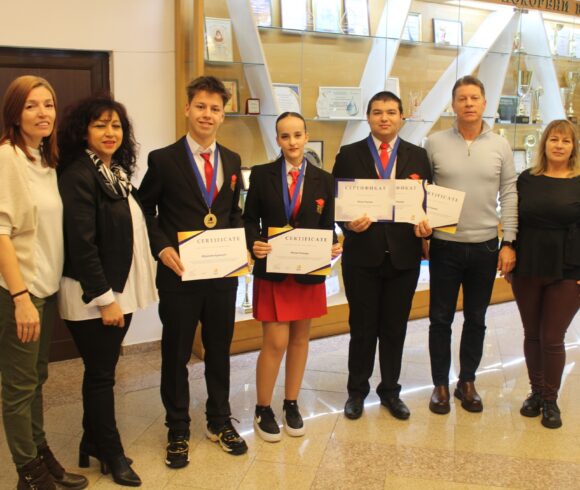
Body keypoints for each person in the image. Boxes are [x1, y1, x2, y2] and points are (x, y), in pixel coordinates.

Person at [139, 76, 247, 467]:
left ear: (223, 115)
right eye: (200, 106)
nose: (207, 114)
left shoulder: (232, 160)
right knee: (177, 353)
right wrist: (162, 247)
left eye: (215, 108)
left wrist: (241, 245)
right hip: (179, 274)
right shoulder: (163, 159)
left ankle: (219, 420)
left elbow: (232, 212)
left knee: (219, 350)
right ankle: (178, 428)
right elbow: (143, 209)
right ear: (187, 109)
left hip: (221, 276)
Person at [58, 94, 157, 486]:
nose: (110, 132)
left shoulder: (112, 171)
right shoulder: (78, 174)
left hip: (116, 290)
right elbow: (81, 244)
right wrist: (105, 299)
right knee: (101, 376)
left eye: (116, 126)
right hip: (94, 296)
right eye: (100, 125)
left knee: (102, 371)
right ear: (83, 131)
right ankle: (111, 452)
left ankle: (91, 441)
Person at [0, 76, 88, 490]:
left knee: (36, 380)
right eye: (31, 105)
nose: (43, 113)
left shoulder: (43, 159)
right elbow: (0, 233)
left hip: (45, 288)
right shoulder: (7, 157)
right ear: (15, 113)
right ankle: (29, 473)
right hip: (21, 291)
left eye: (48, 104)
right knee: (19, 387)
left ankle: (40, 455)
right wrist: (20, 297)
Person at [332, 91, 432, 421]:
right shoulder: (349, 154)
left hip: (404, 257)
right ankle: (356, 391)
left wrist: (426, 225)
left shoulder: (419, 156)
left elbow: (427, 203)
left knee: (394, 328)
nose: (384, 118)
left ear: (402, 117)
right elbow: (335, 201)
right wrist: (347, 224)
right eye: (377, 112)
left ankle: (390, 391)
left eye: (391, 112)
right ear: (368, 117)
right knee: (361, 329)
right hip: (362, 256)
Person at [243, 112, 341, 442]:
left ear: (306, 136)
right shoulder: (262, 174)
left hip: (308, 272)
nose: (292, 142)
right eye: (285, 136)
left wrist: (333, 245)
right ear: (277, 140)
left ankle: (291, 403)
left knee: (300, 339)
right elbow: (249, 219)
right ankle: (262, 408)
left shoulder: (324, 179)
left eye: (298, 135)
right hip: (273, 270)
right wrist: (253, 242)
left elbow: (327, 226)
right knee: (275, 342)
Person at [423, 76, 517, 415]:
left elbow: (509, 193)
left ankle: (467, 381)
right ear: (453, 104)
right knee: (440, 319)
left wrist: (509, 241)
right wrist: (424, 233)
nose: (468, 103)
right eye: (462, 98)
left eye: (474, 98)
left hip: (485, 246)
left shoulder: (500, 145)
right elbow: (422, 191)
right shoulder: (433, 142)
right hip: (444, 245)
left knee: (476, 318)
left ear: (484, 103)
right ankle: (439, 385)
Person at [509, 119, 580, 429]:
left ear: (573, 147)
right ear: (544, 143)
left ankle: (551, 400)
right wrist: (508, 249)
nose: (559, 145)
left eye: (565, 141)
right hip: (528, 265)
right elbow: (513, 218)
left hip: (569, 267)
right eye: (554, 139)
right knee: (532, 334)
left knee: (552, 337)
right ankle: (536, 392)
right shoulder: (527, 179)